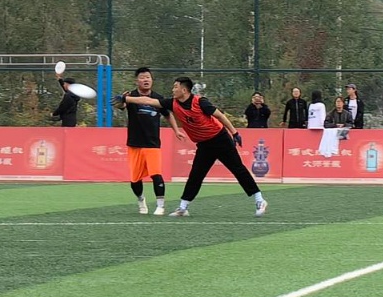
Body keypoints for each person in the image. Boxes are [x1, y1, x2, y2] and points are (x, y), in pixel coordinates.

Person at [123, 76, 268, 217]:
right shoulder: (172, 103)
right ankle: (183, 207)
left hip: (220, 139)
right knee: (196, 175)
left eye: (175, 87)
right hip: (204, 144)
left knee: (238, 169)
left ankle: (259, 200)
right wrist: (126, 99)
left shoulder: (200, 102)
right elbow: (148, 100)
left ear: (184, 90)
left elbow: (220, 116)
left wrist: (234, 133)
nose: (173, 90)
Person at [112, 67, 187, 215]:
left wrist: (176, 130)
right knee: (135, 179)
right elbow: (120, 105)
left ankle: (160, 206)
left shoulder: (158, 98)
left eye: (148, 77)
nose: (146, 80)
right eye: (142, 77)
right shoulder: (130, 96)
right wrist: (121, 101)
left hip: (152, 143)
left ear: (152, 80)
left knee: (156, 174)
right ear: (137, 81)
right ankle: (141, 200)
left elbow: (168, 114)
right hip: (134, 143)